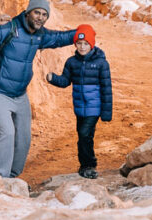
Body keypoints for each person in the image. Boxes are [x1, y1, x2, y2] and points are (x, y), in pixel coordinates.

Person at [0, 0, 76, 178]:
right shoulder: (10, 28)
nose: (40, 17)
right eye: (37, 12)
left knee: (23, 139)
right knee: (7, 133)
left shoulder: (40, 35)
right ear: (28, 12)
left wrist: (79, 34)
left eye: (44, 14)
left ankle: (13, 177)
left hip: (20, 95)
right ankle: (0, 178)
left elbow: (59, 38)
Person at [46, 24, 112, 179]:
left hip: (94, 107)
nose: (82, 47)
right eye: (79, 43)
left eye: (86, 44)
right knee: (84, 136)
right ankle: (84, 165)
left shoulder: (101, 63)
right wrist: (53, 78)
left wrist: (106, 113)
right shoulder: (71, 62)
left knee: (84, 134)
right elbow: (65, 81)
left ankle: (89, 165)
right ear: (75, 44)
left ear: (92, 44)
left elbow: (107, 89)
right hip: (79, 107)